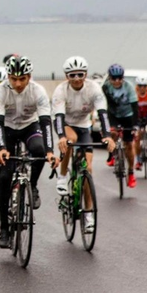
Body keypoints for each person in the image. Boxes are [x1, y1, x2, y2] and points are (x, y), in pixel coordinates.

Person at [0, 55, 54, 249]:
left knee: (39, 151)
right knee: (4, 178)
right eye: (14, 79)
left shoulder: (38, 91)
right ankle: (4, 228)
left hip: (29, 126)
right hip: (7, 129)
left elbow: (45, 122)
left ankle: (32, 185)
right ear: (8, 77)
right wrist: (1, 148)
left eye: (22, 79)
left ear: (29, 77)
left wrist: (50, 150)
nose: (18, 83)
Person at [51, 56, 114, 232]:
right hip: (65, 124)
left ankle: (88, 213)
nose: (77, 78)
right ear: (67, 76)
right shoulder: (61, 90)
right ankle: (63, 176)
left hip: (84, 126)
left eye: (80, 74)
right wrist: (61, 136)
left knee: (88, 169)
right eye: (72, 75)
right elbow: (58, 117)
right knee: (70, 140)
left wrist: (107, 136)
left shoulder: (94, 89)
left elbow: (103, 114)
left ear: (85, 74)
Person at [101, 64, 139, 188]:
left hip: (127, 115)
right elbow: (101, 104)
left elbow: (135, 106)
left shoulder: (128, 87)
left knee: (129, 145)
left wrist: (135, 125)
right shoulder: (105, 87)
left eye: (120, 78)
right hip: (113, 115)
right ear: (109, 78)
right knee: (112, 133)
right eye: (114, 78)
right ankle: (112, 154)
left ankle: (131, 172)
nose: (117, 81)